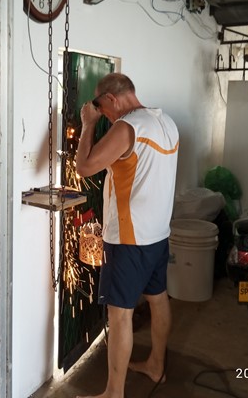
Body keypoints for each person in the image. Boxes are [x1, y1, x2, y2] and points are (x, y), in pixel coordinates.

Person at [75, 73, 179, 398]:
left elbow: (84, 167)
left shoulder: (127, 127)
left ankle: (113, 393)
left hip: (128, 240)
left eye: (102, 108)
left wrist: (88, 125)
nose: (104, 115)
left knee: (120, 315)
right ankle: (156, 366)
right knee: (158, 299)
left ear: (111, 98)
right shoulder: (166, 123)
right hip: (158, 234)